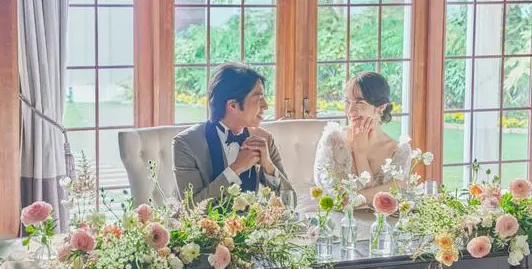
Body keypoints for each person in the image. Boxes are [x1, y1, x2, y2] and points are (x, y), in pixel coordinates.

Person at [172, 62, 293, 201]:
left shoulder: (264, 139)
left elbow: (290, 203)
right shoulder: (186, 144)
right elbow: (191, 208)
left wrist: (268, 166)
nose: (265, 106)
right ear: (233, 105)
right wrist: (236, 168)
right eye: (259, 99)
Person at [313, 72, 411, 204]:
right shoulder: (333, 141)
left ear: (381, 106)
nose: (350, 110)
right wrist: (389, 187)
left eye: (359, 102)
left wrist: (360, 154)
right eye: (347, 102)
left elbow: (399, 197)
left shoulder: (399, 151)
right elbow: (339, 199)